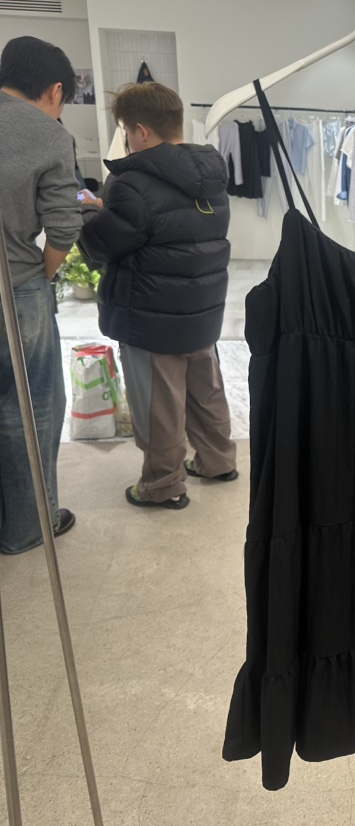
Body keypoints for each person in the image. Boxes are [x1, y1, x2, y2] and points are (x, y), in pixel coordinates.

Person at [79, 82, 237, 510]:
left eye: (127, 131)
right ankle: (218, 461)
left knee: (158, 404)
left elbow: (100, 245)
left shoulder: (132, 183)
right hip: (202, 308)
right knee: (205, 390)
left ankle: (162, 485)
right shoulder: (211, 176)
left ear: (142, 131)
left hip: (151, 316)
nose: (128, 140)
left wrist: (90, 210)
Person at [0, 37, 81, 554]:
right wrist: (42, 275)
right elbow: (64, 226)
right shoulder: (48, 133)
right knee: (31, 409)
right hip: (16, 288)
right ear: (54, 91)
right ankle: (29, 526)